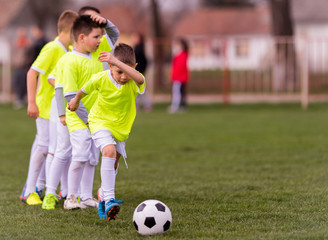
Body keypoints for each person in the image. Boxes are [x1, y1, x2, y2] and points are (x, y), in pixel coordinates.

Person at [41, 7, 120, 210]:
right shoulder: (68, 59)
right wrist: (77, 117)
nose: (100, 39)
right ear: (83, 37)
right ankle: (63, 195)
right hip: (78, 116)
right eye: (96, 36)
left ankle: (84, 196)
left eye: (101, 36)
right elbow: (66, 92)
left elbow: (114, 34)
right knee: (72, 154)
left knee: (92, 158)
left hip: (96, 117)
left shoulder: (97, 53)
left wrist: (105, 22)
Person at [68, 43, 145, 221]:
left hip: (121, 128)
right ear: (110, 67)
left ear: (133, 68)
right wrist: (75, 101)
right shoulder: (100, 78)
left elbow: (140, 80)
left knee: (114, 161)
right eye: (119, 72)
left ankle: (103, 193)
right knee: (108, 151)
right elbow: (83, 90)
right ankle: (110, 199)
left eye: (127, 71)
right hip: (99, 121)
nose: (124, 77)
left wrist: (118, 62)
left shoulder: (135, 80)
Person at [20, 10, 79, 205]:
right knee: (43, 147)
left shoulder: (66, 50)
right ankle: (29, 190)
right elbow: (32, 73)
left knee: (53, 149)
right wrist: (31, 102)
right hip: (44, 107)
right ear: (69, 31)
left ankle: (48, 188)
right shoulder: (53, 48)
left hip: (54, 109)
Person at [168, 38, 189, 113]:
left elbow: (180, 67)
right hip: (177, 77)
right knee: (177, 92)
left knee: (178, 92)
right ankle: (178, 106)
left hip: (180, 77)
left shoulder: (183, 54)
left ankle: (176, 106)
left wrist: (176, 76)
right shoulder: (177, 54)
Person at [132, 32, 152, 112]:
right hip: (138, 71)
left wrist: (140, 70)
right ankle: (144, 105)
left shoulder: (138, 48)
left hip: (138, 72)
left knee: (139, 90)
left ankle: (145, 105)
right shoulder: (138, 47)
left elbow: (144, 61)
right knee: (139, 90)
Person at [12, 28, 30, 109]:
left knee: (22, 84)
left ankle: (21, 99)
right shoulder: (17, 43)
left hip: (24, 67)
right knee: (17, 82)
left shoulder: (27, 44)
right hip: (17, 67)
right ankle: (19, 98)